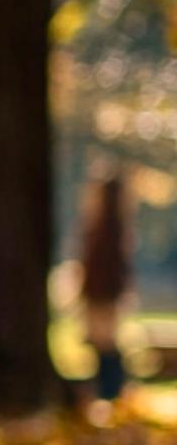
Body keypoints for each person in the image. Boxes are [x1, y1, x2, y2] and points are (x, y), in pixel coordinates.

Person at [79, 165, 134, 402]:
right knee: (103, 344)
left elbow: (105, 267)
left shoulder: (108, 229)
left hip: (103, 294)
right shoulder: (112, 227)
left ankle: (110, 390)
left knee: (105, 345)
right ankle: (109, 390)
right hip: (103, 293)